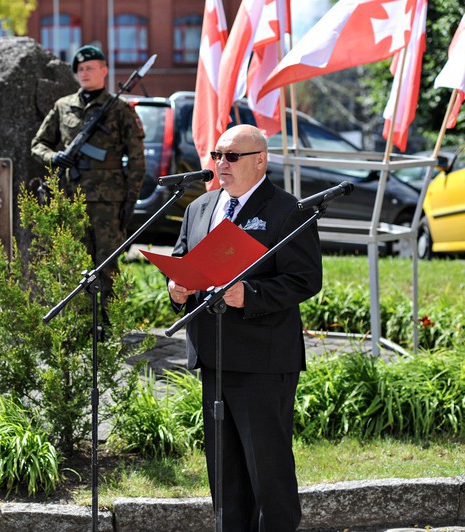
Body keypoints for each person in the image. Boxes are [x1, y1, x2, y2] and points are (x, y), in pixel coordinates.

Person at [167, 124, 322, 531]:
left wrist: (250, 294)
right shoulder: (200, 208)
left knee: (267, 472)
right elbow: (181, 258)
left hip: (262, 360)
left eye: (232, 156)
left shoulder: (287, 209)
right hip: (214, 355)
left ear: (260, 160)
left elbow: (305, 279)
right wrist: (176, 288)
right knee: (225, 475)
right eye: (218, 155)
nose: (221, 164)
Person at [31, 45, 145, 321]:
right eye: (80, 69)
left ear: (104, 71)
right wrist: (55, 158)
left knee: (106, 264)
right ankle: (80, 322)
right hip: (71, 198)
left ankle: (107, 324)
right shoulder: (63, 106)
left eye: (90, 67)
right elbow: (38, 144)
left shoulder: (119, 109)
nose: (84, 72)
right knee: (74, 262)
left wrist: (129, 200)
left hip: (108, 202)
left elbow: (137, 159)